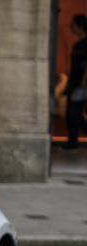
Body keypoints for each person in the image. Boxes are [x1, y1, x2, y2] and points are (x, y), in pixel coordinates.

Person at [59, 13, 87, 150]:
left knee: (75, 114)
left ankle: (73, 142)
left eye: (73, 24)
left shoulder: (85, 45)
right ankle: (72, 142)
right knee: (70, 115)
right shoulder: (77, 45)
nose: (71, 27)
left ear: (80, 26)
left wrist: (83, 83)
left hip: (82, 85)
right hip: (74, 83)